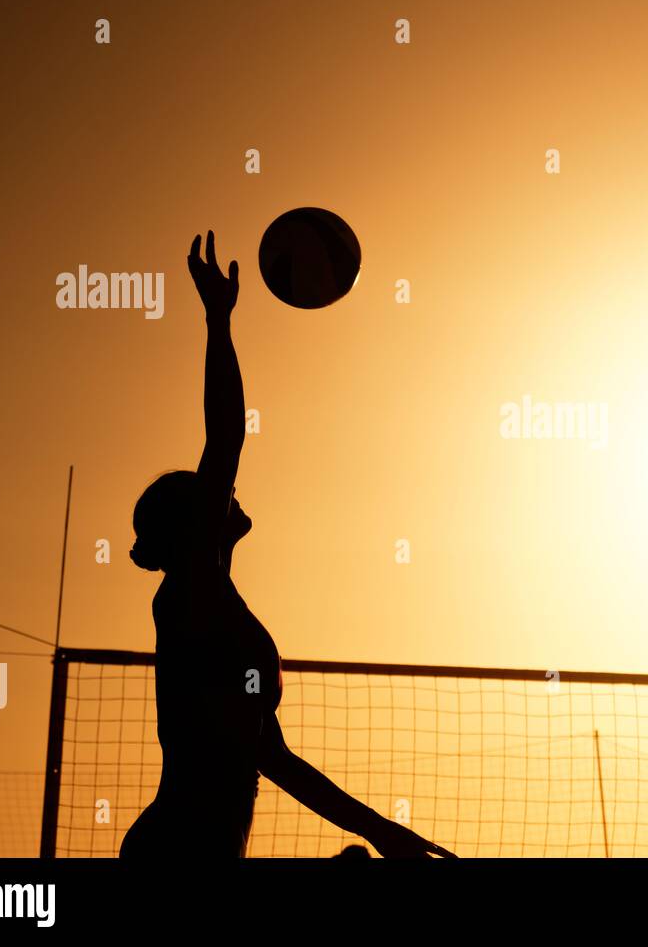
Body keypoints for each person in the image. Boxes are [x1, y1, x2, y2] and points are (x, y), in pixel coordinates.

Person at [120, 231, 453, 859]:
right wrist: (219, 322)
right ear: (195, 525)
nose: (230, 492)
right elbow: (225, 438)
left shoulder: (216, 606)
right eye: (215, 492)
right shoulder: (192, 593)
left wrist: (381, 833)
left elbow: (273, 758)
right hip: (179, 851)